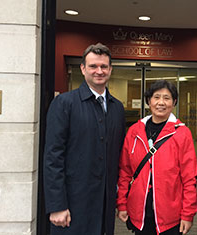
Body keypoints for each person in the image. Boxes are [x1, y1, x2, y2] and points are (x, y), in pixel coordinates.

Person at [43, 43, 126, 235]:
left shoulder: (117, 108)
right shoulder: (64, 103)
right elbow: (53, 157)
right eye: (93, 66)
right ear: (82, 69)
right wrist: (57, 205)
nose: (99, 71)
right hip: (71, 206)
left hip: (104, 207)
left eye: (104, 66)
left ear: (110, 69)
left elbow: (118, 156)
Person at [117, 80, 197, 235]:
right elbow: (125, 172)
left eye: (167, 98)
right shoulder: (135, 131)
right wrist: (121, 203)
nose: (161, 102)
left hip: (170, 214)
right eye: (156, 97)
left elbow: (189, 178)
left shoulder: (181, 133)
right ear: (149, 101)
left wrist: (188, 214)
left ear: (174, 102)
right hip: (139, 212)